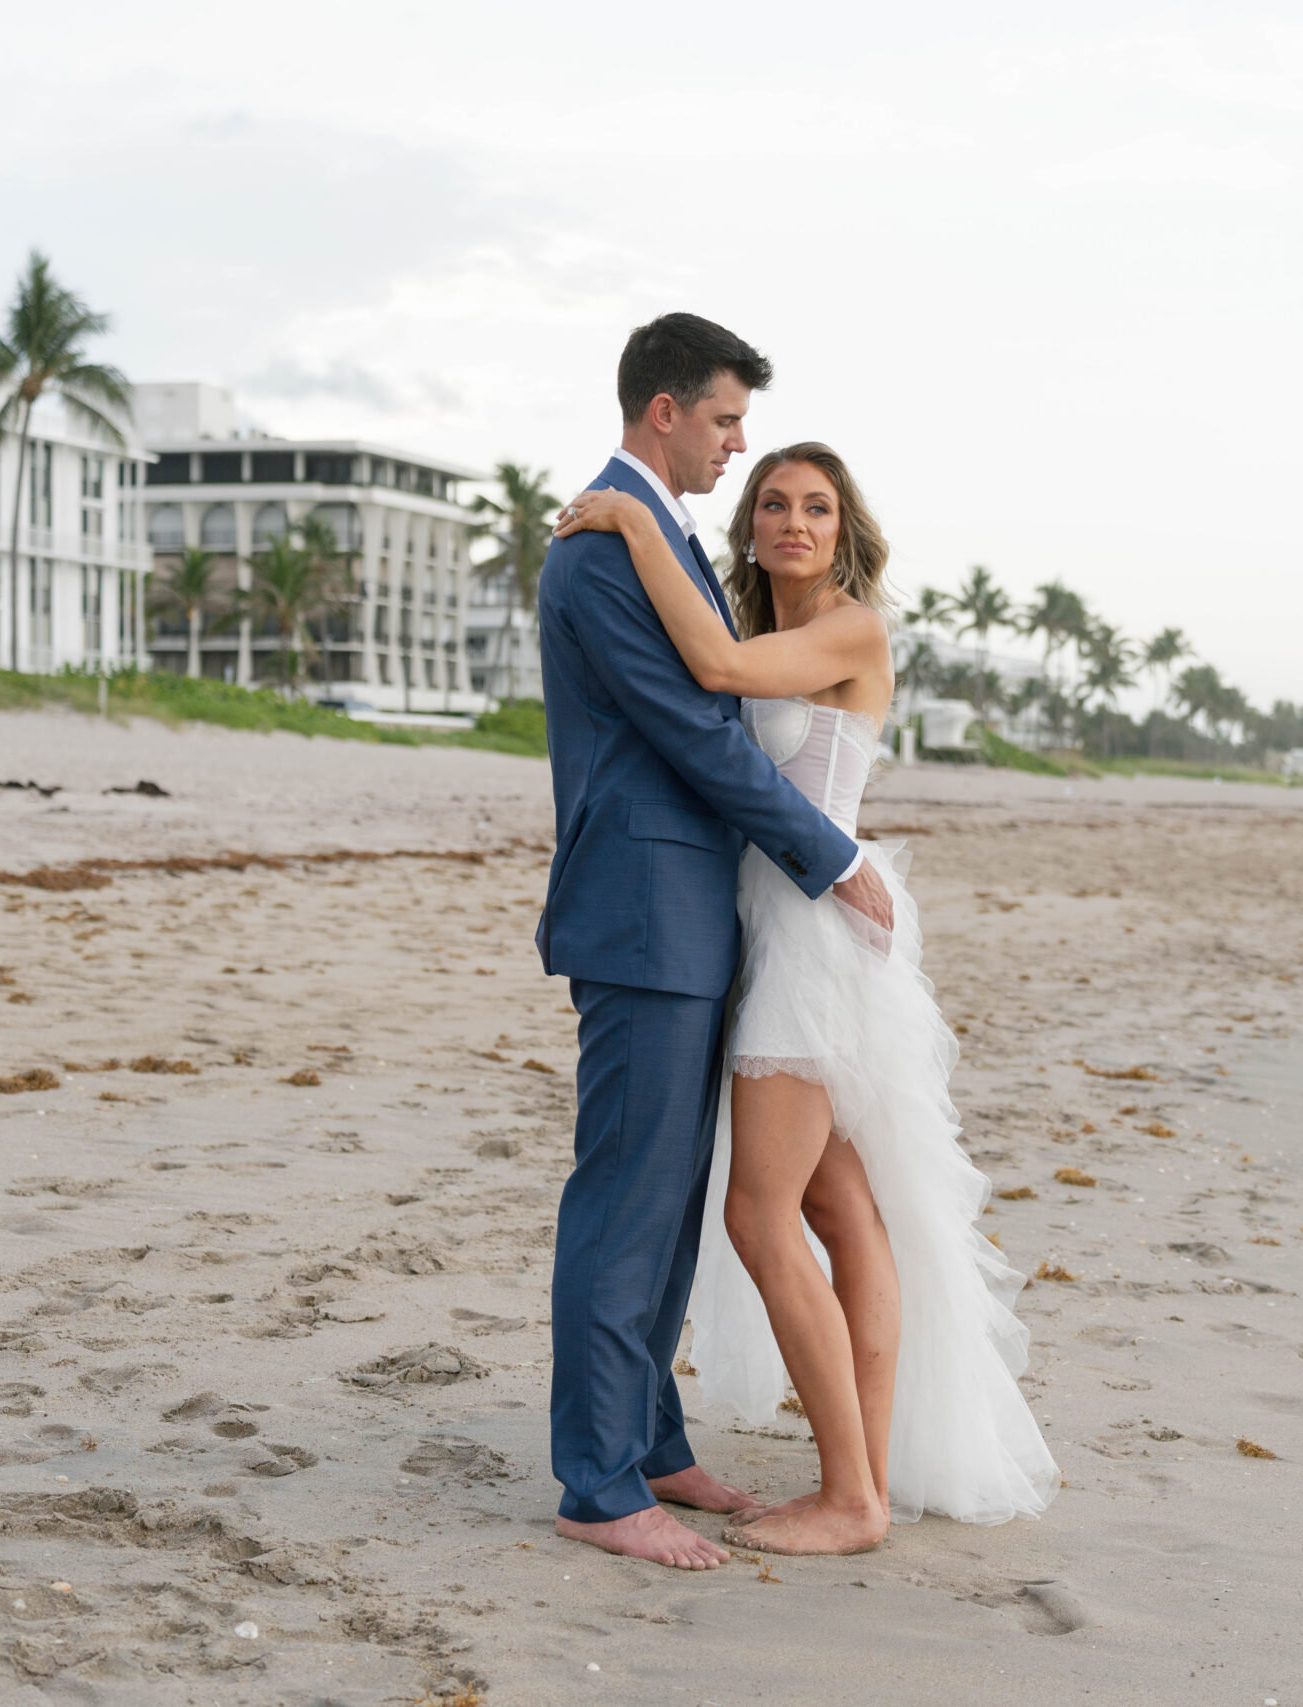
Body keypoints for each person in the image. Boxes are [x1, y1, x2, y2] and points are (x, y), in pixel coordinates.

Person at [555, 442, 1059, 1555]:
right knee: (841, 1212)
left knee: (758, 1212)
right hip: (777, 931)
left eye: (817, 507)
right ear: (751, 530)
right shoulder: (767, 634)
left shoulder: (849, 628)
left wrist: (638, 527)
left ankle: (849, 1499)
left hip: (811, 937)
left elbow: (715, 681)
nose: (794, 522)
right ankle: (860, 1486)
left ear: (845, 530)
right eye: (774, 504)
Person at [536, 313, 898, 1571]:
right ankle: (597, 1482)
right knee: (626, 1204)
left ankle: (648, 1439)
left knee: (673, 1204)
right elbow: (696, 734)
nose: (736, 444)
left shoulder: (654, 536)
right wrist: (831, 855)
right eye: (727, 421)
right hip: (647, 916)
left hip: (701, 922)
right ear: (664, 413)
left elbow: (722, 702)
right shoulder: (601, 544)